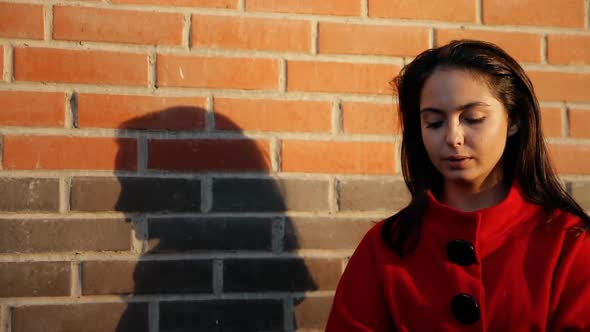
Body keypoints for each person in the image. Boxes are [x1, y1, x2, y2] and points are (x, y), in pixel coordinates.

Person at [325, 40, 590, 331]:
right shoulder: (385, 246)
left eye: (472, 119)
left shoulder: (569, 242)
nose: (453, 137)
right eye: (435, 123)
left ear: (513, 120)